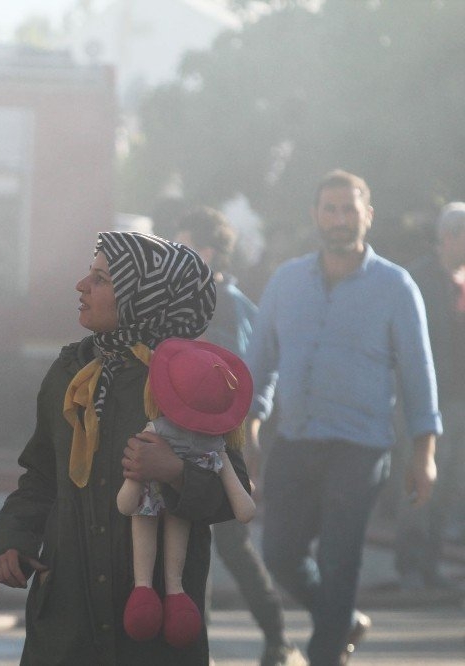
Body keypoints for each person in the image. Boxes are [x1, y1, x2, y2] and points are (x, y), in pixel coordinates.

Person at [0, 230, 247, 665]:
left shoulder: (189, 378)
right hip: (66, 628)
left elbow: (234, 492)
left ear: (141, 294)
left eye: (101, 279)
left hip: (151, 633)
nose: (81, 287)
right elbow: (40, 476)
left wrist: (174, 472)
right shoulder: (68, 372)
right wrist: (13, 539)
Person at [247, 170, 442, 666]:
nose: (339, 219)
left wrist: (424, 455)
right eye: (330, 209)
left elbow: (419, 376)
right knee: (279, 555)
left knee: (339, 559)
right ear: (316, 215)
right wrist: (248, 421)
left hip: (361, 447)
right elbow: (260, 361)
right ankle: (344, 620)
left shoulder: (396, 287)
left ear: (367, 216)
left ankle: (325, 655)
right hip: (294, 441)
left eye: (349, 209)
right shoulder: (286, 281)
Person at [176, 206, 306, 666]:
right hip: (183, 444)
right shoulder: (186, 304)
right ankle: (200, 649)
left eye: (185, 243)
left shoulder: (227, 307)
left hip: (219, 447)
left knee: (225, 545)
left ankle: (277, 639)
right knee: (193, 547)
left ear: (208, 252)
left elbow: (244, 380)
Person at [116, 337, 256, 650]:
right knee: (157, 528)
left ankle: (171, 592)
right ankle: (153, 590)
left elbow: (236, 498)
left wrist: (178, 473)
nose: (83, 287)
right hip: (137, 517)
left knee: (172, 530)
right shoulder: (79, 367)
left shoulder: (215, 443)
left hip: (166, 506)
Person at [393, 201, 465, 590]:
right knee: (418, 481)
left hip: (461, 401)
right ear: (450, 237)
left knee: (452, 484)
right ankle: (410, 566)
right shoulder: (417, 279)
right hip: (424, 401)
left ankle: (432, 565)